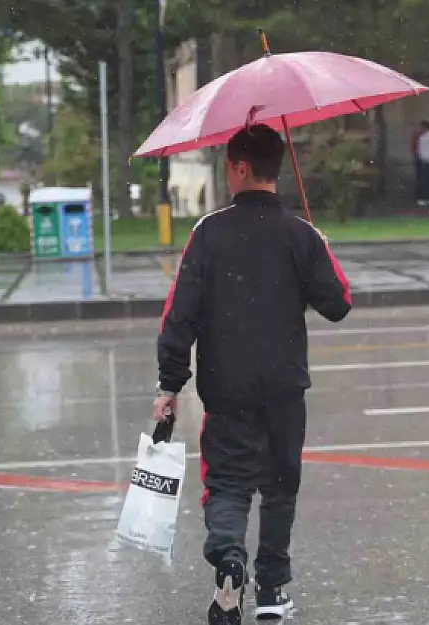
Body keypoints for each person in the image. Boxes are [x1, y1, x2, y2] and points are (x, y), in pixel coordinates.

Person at [153, 124, 353, 625]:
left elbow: (180, 315)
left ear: (241, 168)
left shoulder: (209, 233)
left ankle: (229, 563)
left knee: (228, 483)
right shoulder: (299, 234)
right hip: (285, 386)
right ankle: (270, 590)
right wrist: (321, 249)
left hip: (227, 386)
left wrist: (170, 383)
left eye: (227, 163)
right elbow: (338, 303)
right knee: (280, 487)